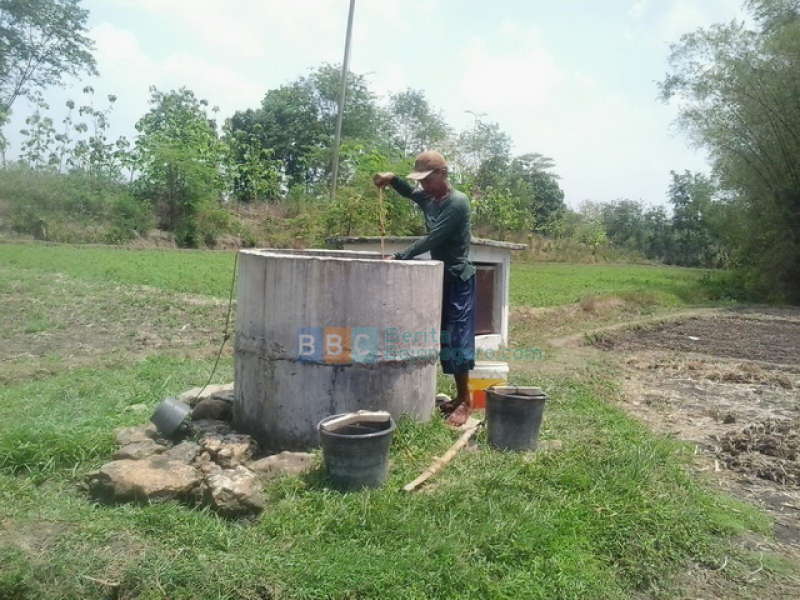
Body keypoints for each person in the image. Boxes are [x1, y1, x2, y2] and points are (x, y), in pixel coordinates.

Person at [373, 151, 476, 426]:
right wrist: (392, 179)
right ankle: (457, 396)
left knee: (458, 340)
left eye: (428, 180)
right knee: (444, 337)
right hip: (440, 277)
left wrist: (398, 257)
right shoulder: (431, 196)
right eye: (422, 181)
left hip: (459, 279)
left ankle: (466, 401)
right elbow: (410, 193)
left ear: (443, 175)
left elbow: (434, 238)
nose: (424, 186)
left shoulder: (457, 203)